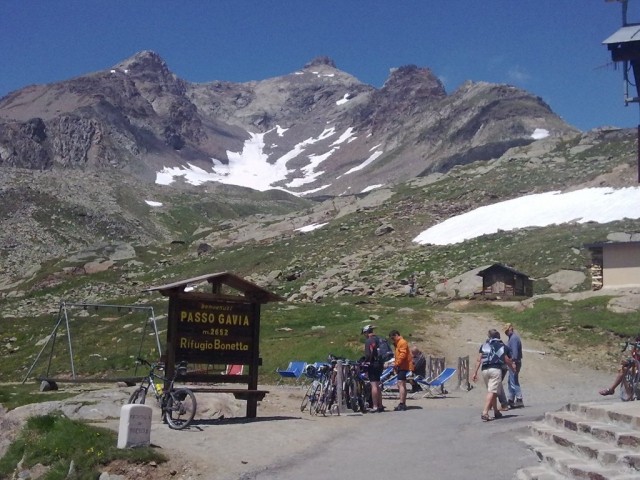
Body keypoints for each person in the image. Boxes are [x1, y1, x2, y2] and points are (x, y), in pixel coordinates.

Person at [472, 329, 515, 422]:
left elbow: (479, 359)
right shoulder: (502, 346)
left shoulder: (484, 346)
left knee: (492, 391)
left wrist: (475, 372)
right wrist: (512, 368)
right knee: (492, 391)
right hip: (495, 369)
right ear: (498, 337)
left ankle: (496, 412)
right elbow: (506, 359)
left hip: (484, 370)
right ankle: (485, 412)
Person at [362, 325, 385, 413]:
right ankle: (380, 405)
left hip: (373, 364)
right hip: (380, 364)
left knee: (374, 385)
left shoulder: (369, 341)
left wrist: (365, 363)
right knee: (378, 384)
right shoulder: (379, 339)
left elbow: (368, 355)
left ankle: (375, 406)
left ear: (366, 332)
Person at [389, 329, 414, 411]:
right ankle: (403, 402)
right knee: (401, 384)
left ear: (396, 335)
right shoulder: (398, 343)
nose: (393, 340)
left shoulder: (402, 342)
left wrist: (396, 364)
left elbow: (402, 355)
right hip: (401, 366)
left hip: (403, 366)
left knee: (401, 384)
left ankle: (402, 403)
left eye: (393, 338)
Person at [504, 323, 524, 408]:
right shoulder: (511, 338)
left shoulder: (514, 339)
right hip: (513, 362)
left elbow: (515, 352)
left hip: (514, 362)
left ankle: (519, 399)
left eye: (507, 330)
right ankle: (511, 399)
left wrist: (513, 362)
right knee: (510, 380)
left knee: (514, 380)